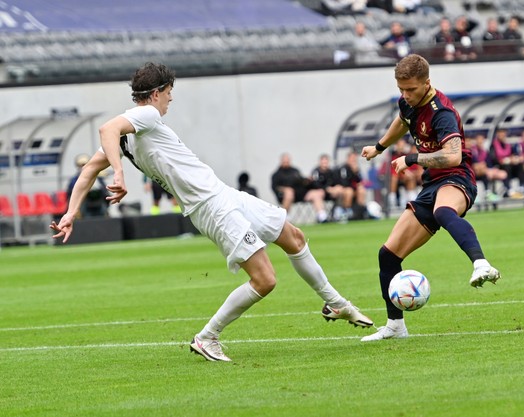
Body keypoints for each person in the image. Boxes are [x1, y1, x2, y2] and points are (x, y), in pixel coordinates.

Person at [50, 62, 373, 362]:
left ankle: (336, 303)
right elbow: (107, 128)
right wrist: (119, 175)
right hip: (210, 207)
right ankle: (207, 337)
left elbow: (89, 171)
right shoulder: (146, 115)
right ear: (156, 93)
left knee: (294, 236)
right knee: (264, 279)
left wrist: (69, 213)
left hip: (223, 194)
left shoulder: (124, 139)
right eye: (169, 94)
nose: (170, 100)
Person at [360, 54, 501, 341]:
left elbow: (453, 156)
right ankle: (395, 326)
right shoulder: (407, 103)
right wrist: (379, 147)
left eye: (411, 89)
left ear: (427, 83)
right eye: (401, 89)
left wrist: (412, 157)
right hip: (430, 185)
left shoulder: (442, 113)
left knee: (443, 211)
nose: (405, 95)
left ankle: (481, 264)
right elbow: (401, 121)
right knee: (387, 255)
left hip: (457, 177)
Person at [271, 152, 329, 223]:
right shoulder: (276, 174)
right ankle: (285, 217)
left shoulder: (295, 171)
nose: (286, 162)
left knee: (316, 193)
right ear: (281, 161)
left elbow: (301, 181)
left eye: (287, 160)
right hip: (286, 196)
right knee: (289, 192)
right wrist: (284, 189)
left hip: (300, 194)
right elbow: (275, 187)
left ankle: (322, 216)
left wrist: (307, 181)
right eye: (284, 161)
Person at [66, 153, 109, 218]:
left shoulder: (98, 178)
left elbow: (105, 191)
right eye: (81, 165)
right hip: (85, 205)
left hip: (99, 204)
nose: (83, 167)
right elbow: (70, 193)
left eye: (86, 164)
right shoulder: (74, 180)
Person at [468, 133, 506, 201]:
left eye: (481, 140)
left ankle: (504, 191)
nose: (480, 141)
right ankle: (483, 193)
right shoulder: (473, 151)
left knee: (503, 173)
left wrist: (489, 168)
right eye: (478, 140)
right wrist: (482, 166)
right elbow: (474, 165)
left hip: (483, 172)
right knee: (484, 172)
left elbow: (489, 164)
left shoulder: (484, 152)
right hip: (473, 172)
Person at [337, 151, 368, 220]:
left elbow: (359, 181)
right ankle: (348, 212)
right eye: (352, 158)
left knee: (361, 190)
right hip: (345, 190)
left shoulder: (356, 169)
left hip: (354, 189)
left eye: (355, 158)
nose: (353, 160)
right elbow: (344, 183)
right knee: (349, 191)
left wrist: (355, 172)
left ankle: (360, 211)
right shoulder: (344, 168)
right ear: (348, 159)